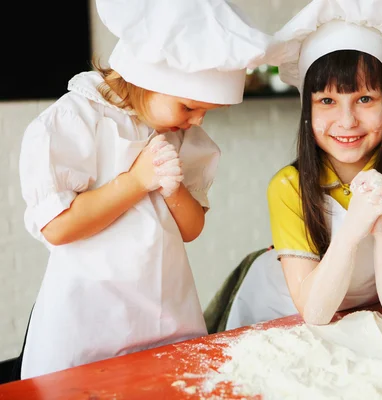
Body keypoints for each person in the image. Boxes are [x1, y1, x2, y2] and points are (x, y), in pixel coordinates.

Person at [16, 0, 271, 379]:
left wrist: (173, 191)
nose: (197, 121)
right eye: (189, 107)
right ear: (149, 80)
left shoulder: (183, 135)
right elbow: (58, 227)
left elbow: (191, 229)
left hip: (165, 315)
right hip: (87, 325)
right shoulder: (77, 121)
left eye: (206, 111)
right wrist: (135, 182)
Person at [204, 0, 382, 332]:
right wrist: (354, 225)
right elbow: (314, 311)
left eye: (365, 99)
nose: (347, 121)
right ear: (307, 112)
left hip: (361, 317)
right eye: (327, 101)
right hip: (279, 311)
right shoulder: (289, 186)